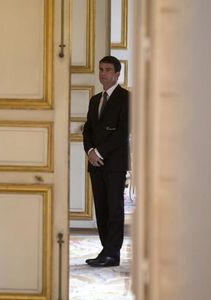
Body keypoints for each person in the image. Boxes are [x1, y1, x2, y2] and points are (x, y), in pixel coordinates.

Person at [82, 56, 130, 267]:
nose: (103, 73)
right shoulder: (94, 100)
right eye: (101, 69)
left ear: (117, 73)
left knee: (114, 209)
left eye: (108, 70)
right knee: (101, 209)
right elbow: (88, 130)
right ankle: (105, 251)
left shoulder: (126, 98)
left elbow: (123, 133)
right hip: (95, 164)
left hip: (114, 164)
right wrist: (90, 151)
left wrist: (99, 152)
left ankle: (113, 253)